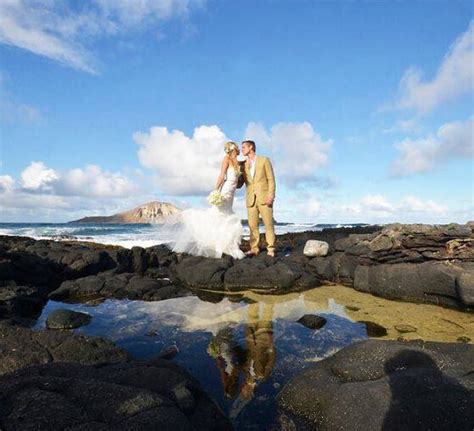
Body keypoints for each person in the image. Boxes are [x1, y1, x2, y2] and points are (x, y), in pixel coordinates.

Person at [171, 141, 245, 259]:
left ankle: (226, 244)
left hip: (232, 193)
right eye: (237, 146)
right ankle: (217, 243)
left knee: (226, 216)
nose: (239, 148)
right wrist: (216, 190)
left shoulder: (239, 162)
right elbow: (222, 175)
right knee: (219, 214)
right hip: (225, 190)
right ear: (233, 149)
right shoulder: (226, 159)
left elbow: (239, 181)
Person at [239, 140, 276, 257]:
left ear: (251, 148)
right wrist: (238, 171)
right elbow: (239, 185)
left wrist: (271, 195)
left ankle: (271, 249)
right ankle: (254, 248)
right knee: (252, 226)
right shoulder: (243, 164)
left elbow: (271, 179)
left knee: (268, 224)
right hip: (251, 199)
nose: (242, 150)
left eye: (244, 147)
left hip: (264, 197)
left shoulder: (264, 160)